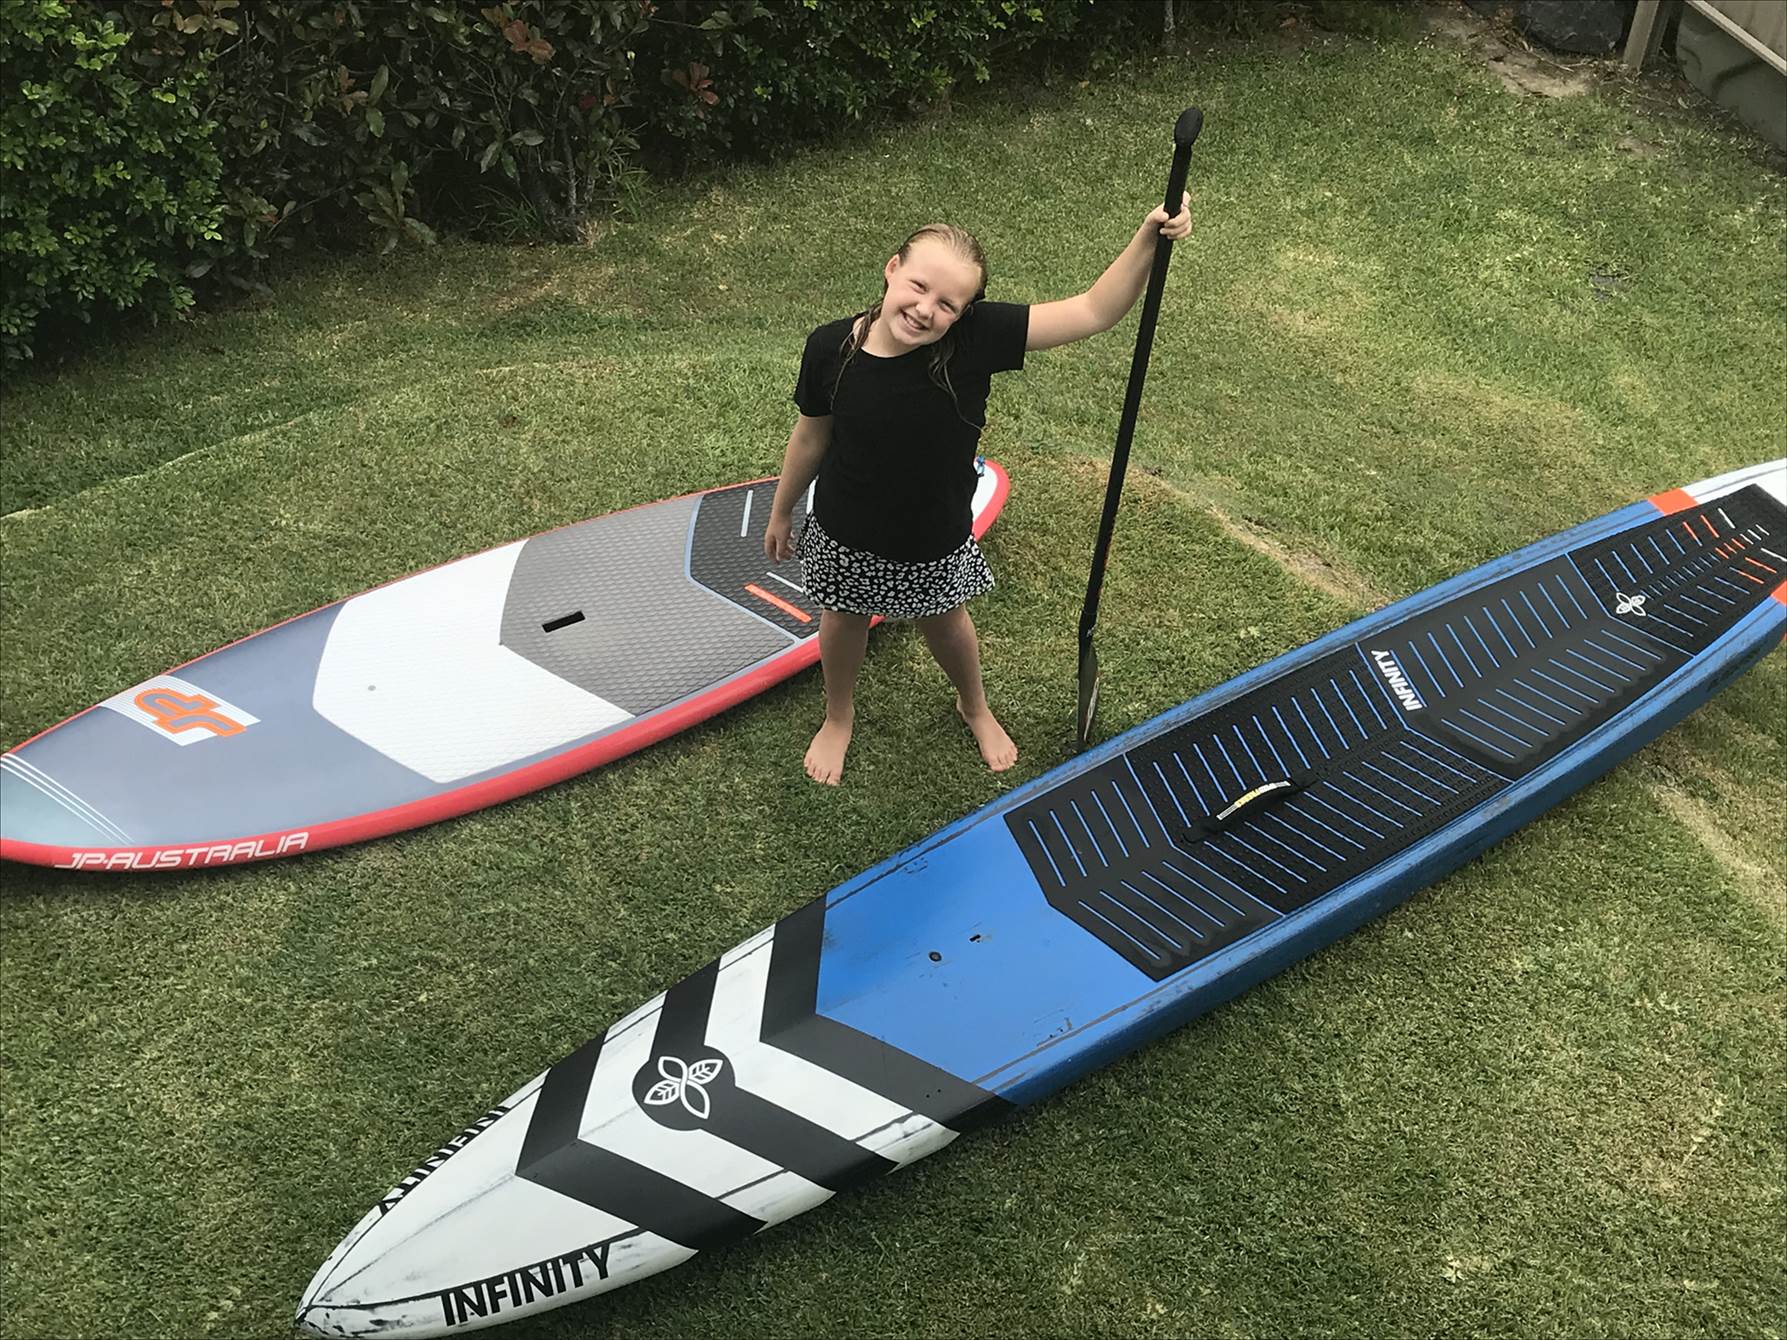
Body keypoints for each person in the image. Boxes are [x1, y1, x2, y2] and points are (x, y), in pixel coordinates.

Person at [764, 195, 1193, 785]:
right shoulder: (829, 348)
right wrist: (782, 510)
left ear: (966, 312)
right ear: (892, 269)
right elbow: (812, 435)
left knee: (946, 623)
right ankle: (839, 715)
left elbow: (1094, 310)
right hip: (844, 528)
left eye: (948, 304)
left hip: (933, 533)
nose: (925, 309)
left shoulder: (973, 341)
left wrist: (1148, 236)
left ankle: (974, 705)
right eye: (918, 286)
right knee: (842, 620)